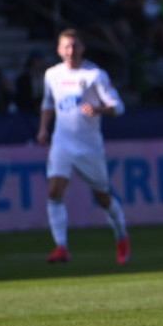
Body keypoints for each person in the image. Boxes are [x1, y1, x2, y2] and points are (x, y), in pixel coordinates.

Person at [37, 29, 130, 265]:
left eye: (74, 46)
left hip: (89, 147)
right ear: (59, 50)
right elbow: (48, 102)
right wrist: (43, 128)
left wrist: (98, 109)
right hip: (61, 143)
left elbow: (118, 106)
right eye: (66, 46)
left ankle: (121, 235)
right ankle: (61, 247)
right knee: (54, 191)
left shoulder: (95, 74)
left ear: (82, 48)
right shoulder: (52, 75)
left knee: (103, 197)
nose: (70, 51)